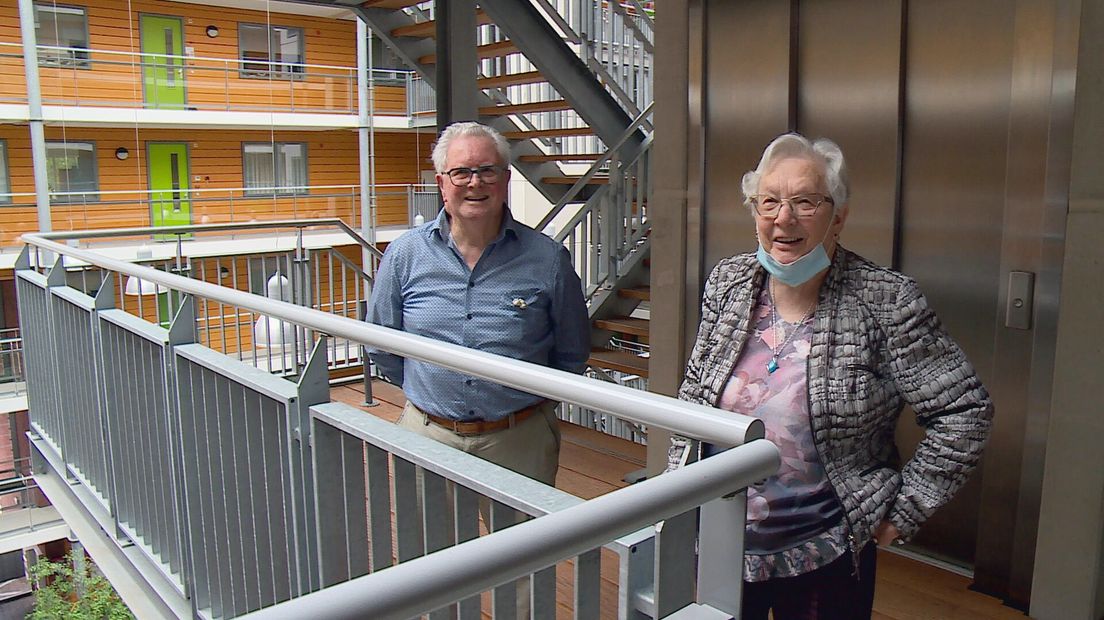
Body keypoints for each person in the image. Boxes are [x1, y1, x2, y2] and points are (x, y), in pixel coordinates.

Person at [668, 133, 994, 619]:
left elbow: (964, 412)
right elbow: (695, 392)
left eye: (805, 202)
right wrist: (677, 491)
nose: (783, 218)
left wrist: (904, 510)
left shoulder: (886, 300)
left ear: (837, 216)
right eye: (769, 202)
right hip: (719, 540)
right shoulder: (728, 282)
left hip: (826, 551)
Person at [366, 121, 590, 486]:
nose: (475, 182)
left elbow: (571, 352)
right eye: (460, 173)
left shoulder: (548, 260)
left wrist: (526, 408)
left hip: (520, 438)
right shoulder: (405, 254)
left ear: (505, 180)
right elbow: (381, 342)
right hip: (427, 434)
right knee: (435, 542)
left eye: (487, 170)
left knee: (526, 544)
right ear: (441, 183)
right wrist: (431, 393)